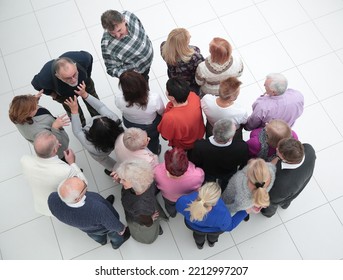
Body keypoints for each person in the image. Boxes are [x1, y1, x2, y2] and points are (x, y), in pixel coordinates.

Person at [48, 177, 130, 249]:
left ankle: (102, 241)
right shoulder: (98, 209)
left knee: (95, 236)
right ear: (77, 198)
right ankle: (116, 243)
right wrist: (121, 229)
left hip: (87, 228)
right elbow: (113, 225)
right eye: (84, 186)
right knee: (114, 233)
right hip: (103, 227)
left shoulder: (52, 198)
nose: (84, 181)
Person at [64, 81, 123, 176]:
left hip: (101, 155)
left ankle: (115, 171)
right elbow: (101, 107)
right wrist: (85, 95)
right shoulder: (116, 121)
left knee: (105, 161)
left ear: (92, 135)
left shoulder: (92, 146)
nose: (98, 117)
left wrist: (74, 111)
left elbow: (77, 131)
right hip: (118, 143)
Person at [20, 131, 85, 216]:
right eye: (57, 142)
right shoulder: (65, 170)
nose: (59, 144)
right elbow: (83, 183)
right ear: (55, 149)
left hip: (40, 205)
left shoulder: (25, 160)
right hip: (58, 207)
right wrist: (72, 163)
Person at [31, 51, 100, 127]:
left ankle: (99, 119)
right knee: (75, 115)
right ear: (58, 76)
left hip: (85, 84)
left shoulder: (82, 58)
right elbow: (35, 84)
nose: (73, 80)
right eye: (68, 78)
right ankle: (82, 127)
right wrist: (53, 94)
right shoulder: (45, 78)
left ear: (75, 66)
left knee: (94, 103)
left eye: (74, 74)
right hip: (65, 94)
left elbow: (90, 58)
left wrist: (87, 77)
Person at [176, 182, 248, 249]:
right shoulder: (222, 213)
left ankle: (199, 245)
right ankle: (211, 243)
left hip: (193, 226)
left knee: (198, 236)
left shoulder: (183, 200)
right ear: (214, 203)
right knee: (213, 237)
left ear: (200, 190)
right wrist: (245, 211)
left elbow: (178, 208)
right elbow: (230, 227)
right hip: (213, 230)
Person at [113, 159, 167, 244]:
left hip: (139, 217)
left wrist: (151, 219)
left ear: (135, 183)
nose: (120, 181)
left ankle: (157, 230)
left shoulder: (141, 207)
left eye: (124, 180)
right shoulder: (147, 180)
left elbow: (147, 222)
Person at [261, 138, 316, 218]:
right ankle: (285, 205)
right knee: (288, 200)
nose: (276, 149)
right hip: (302, 180)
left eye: (278, 152)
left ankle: (268, 214)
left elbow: (272, 199)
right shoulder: (309, 148)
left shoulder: (282, 185)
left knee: (271, 204)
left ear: (286, 160)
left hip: (282, 193)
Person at [190, 119, 249, 192]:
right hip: (228, 173)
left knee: (209, 188)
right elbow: (244, 164)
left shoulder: (200, 146)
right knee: (226, 186)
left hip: (208, 173)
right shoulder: (241, 146)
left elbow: (196, 163)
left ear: (213, 131)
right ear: (230, 137)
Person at [9, 92, 69, 160]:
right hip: (58, 150)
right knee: (66, 160)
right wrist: (55, 127)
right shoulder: (38, 132)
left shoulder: (16, 115)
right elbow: (55, 142)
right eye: (33, 107)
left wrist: (33, 100)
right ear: (28, 113)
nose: (36, 106)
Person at [116, 71, 165, 154]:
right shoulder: (153, 98)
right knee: (152, 140)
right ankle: (154, 151)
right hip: (149, 125)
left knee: (135, 139)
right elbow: (162, 111)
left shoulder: (119, 98)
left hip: (129, 122)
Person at [101, 10, 153, 81]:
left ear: (124, 20)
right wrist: (130, 75)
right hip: (138, 74)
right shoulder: (107, 45)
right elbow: (111, 69)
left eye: (119, 30)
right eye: (112, 33)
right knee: (143, 88)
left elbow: (141, 27)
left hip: (147, 64)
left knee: (146, 76)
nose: (117, 36)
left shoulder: (129, 16)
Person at [154, 148, 205, 217]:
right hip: (186, 197)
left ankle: (172, 214)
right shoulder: (198, 175)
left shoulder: (157, 171)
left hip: (169, 198)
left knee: (170, 208)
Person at [157, 78, 205, 151]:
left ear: (172, 97)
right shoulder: (194, 97)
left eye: (167, 90)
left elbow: (165, 137)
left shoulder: (170, 117)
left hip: (183, 145)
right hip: (199, 137)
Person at [160, 28, 204, 94]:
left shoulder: (163, 47)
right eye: (188, 38)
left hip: (174, 77)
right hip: (191, 83)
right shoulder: (194, 57)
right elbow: (203, 70)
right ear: (183, 43)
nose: (191, 36)